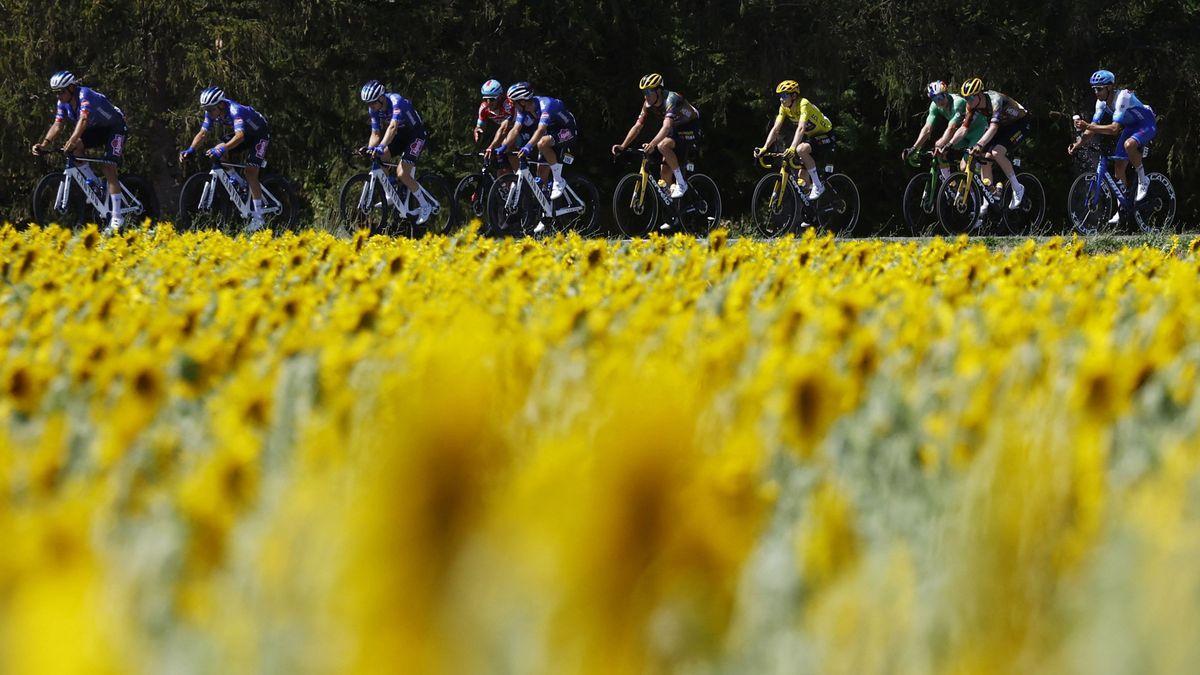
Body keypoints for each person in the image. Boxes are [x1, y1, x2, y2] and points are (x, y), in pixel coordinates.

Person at [31, 71, 128, 232]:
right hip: (97, 129)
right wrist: (44, 143)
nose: (58, 96)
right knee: (76, 150)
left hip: (115, 127)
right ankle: (95, 184)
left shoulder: (85, 95)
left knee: (108, 166)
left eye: (61, 92)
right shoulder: (62, 102)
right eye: (55, 93)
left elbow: (83, 120)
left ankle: (117, 216)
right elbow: (58, 125)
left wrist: (72, 139)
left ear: (71, 88)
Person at [179, 86, 272, 231]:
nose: (208, 112)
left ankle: (259, 218)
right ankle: (237, 180)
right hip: (244, 133)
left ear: (221, 105)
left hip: (259, 134)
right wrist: (191, 149)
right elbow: (203, 133)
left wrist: (223, 148)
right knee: (220, 148)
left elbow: (240, 136)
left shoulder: (236, 110)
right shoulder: (211, 112)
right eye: (206, 109)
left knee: (250, 171)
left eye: (210, 109)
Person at [1069, 69, 1156, 218]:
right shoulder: (1101, 104)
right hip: (1131, 127)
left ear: (1109, 87)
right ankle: (1122, 208)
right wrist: (1077, 145)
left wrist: (1087, 125)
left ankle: (1143, 179)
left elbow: (1115, 129)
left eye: (1099, 88)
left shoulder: (1122, 96)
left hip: (1145, 123)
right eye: (1094, 89)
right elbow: (1091, 131)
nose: (1096, 92)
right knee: (1118, 167)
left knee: (1129, 145)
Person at [352, 80, 433, 225]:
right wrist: (370, 149)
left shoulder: (397, 102)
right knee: (380, 157)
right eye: (368, 104)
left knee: (402, 173)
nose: (371, 107)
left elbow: (393, 127)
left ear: (381, 98)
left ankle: (425, 205)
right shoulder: (374, 109)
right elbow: (375, 133)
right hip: (401, 136)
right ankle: (390, 192)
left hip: (416, 135)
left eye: (372, 103)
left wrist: (381, 146)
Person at [611, 73, 702, 199]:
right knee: (664, 172)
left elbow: (666, 127)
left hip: (690, 126)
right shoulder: (647, 104)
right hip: (675, 127)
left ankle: (681, 184)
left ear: (658, 90)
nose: (646, 95)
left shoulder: (671, 99)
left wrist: (652, 144)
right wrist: (623, 146)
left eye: (648, 91)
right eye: (643, 92)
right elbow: (637, 126)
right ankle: (674, 211)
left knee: (662, 145)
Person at [951, 78, 1030, 209]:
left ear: (980, 94)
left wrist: (979, 144)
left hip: (1020, 123)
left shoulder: (995, 100)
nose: (968, 101)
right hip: (1003, 125)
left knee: (996, 152)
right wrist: (949, 144)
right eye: (966, 98)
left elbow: (993, 128)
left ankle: (1018, 188)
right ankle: (989, 195)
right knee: (983, 157)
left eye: (970, 98)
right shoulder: (972, 105)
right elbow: (964, 128)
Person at [496, 82, 578, 201]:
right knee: (541, 176)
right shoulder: (523, 110)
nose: (512, 106)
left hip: (567, 130)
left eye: (513, 102)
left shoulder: (546, 105)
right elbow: (515, 129)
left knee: (541, 143)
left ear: (522, 101)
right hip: (550, 133)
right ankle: (546, 213)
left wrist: (528, 146)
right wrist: (503, 147)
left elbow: (540, 130)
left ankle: (558, 181)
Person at [754, 80, 834, 200]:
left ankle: (818, 186)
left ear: (794, 95)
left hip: (826, 134)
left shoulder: (803, 104)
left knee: (800, 149)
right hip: (813, 137)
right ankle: (811, 213)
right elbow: (776, 129)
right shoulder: (784, 108)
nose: (781, 99)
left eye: (784, 95)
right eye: (780, 96)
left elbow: (801, 128)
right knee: (802, 179)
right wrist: (765, 147)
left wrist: (792, 148)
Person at [905, 80, 988, 181]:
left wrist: (939, 144)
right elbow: (927, 128)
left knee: (965, 167)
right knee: (941, 153)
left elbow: (951, 128)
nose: (939, 101)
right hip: (962, 134)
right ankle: (950, 184)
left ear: (946, 93)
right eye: (935, 99)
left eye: (941, 97)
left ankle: (985, 188)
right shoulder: (934, 106)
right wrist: (914, 148)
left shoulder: (958, 102)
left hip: (977, 131)